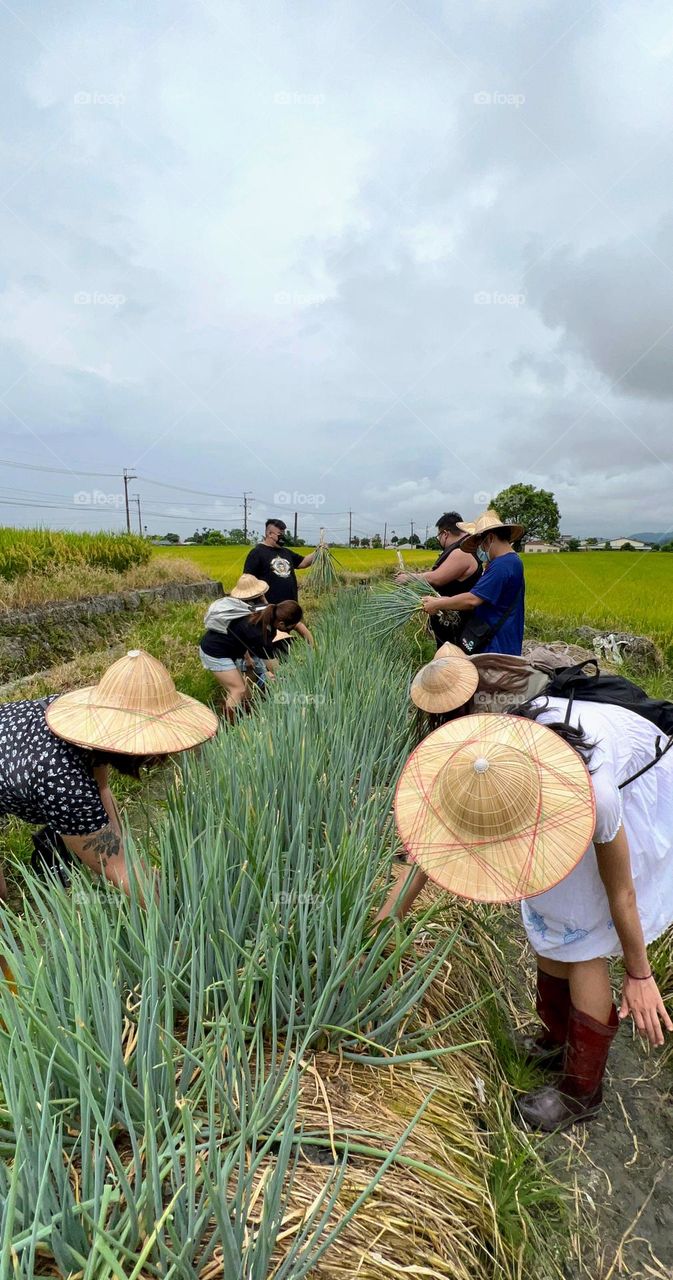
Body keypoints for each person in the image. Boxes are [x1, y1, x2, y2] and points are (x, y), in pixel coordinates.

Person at [380, 699, 673, 1131]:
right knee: (548, 911)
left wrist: (640, 974)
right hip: (558, 788)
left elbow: (622, 893)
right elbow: (421, 861)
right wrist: (373, 943)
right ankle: (557, 1040)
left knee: (583, 938)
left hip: (638, 776)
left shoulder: (597, 796)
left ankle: (581, 1090)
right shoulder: (479, 766)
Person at [0, 649, 218, 899]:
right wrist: (174, 920)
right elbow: (119, 870)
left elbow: (102, 788)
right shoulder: (66, 785)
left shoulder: (88, 728)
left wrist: (130, 855)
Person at [422, 510, 525, 656]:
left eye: (480, 544)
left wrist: (437, 604)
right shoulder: (510, 561)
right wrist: (445, 600)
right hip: (498, 642)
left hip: (496, 647)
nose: (480, 549)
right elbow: (483, 597)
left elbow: (472, 600)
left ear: (489, 538)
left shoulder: (503, 564)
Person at [199, 600, 304, 717]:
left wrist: (248, 658)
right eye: (291, 627)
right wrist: (294, 681)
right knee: (238, 689)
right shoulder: (259, 634)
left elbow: (241, 633)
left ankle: (245, 718)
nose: (291, 630)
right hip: (214, 652)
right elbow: (276, 670)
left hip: (227, 648)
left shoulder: (267, 610)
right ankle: (228, 726)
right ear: (281, 624)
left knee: (247, 694)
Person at [395, 511, 482, 648]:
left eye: (438, 536)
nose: (439, 540)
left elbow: (437, 578)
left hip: (457, 624)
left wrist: (408, 578)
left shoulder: (461, 552)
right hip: (451, 621)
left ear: (445, 534)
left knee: (453, 661)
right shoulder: (462, 549)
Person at [244, 519, 315, 649]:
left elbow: (303, 562)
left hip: (288, 608)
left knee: (285, 644)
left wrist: (319, 552)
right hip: (269, 610)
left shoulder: (285, 552)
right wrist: (263, 603)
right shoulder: (257, 553)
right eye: (279, 533)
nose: (283, 536)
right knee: (269, 644)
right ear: (269, 534)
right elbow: (248, 581)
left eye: (283, 533)